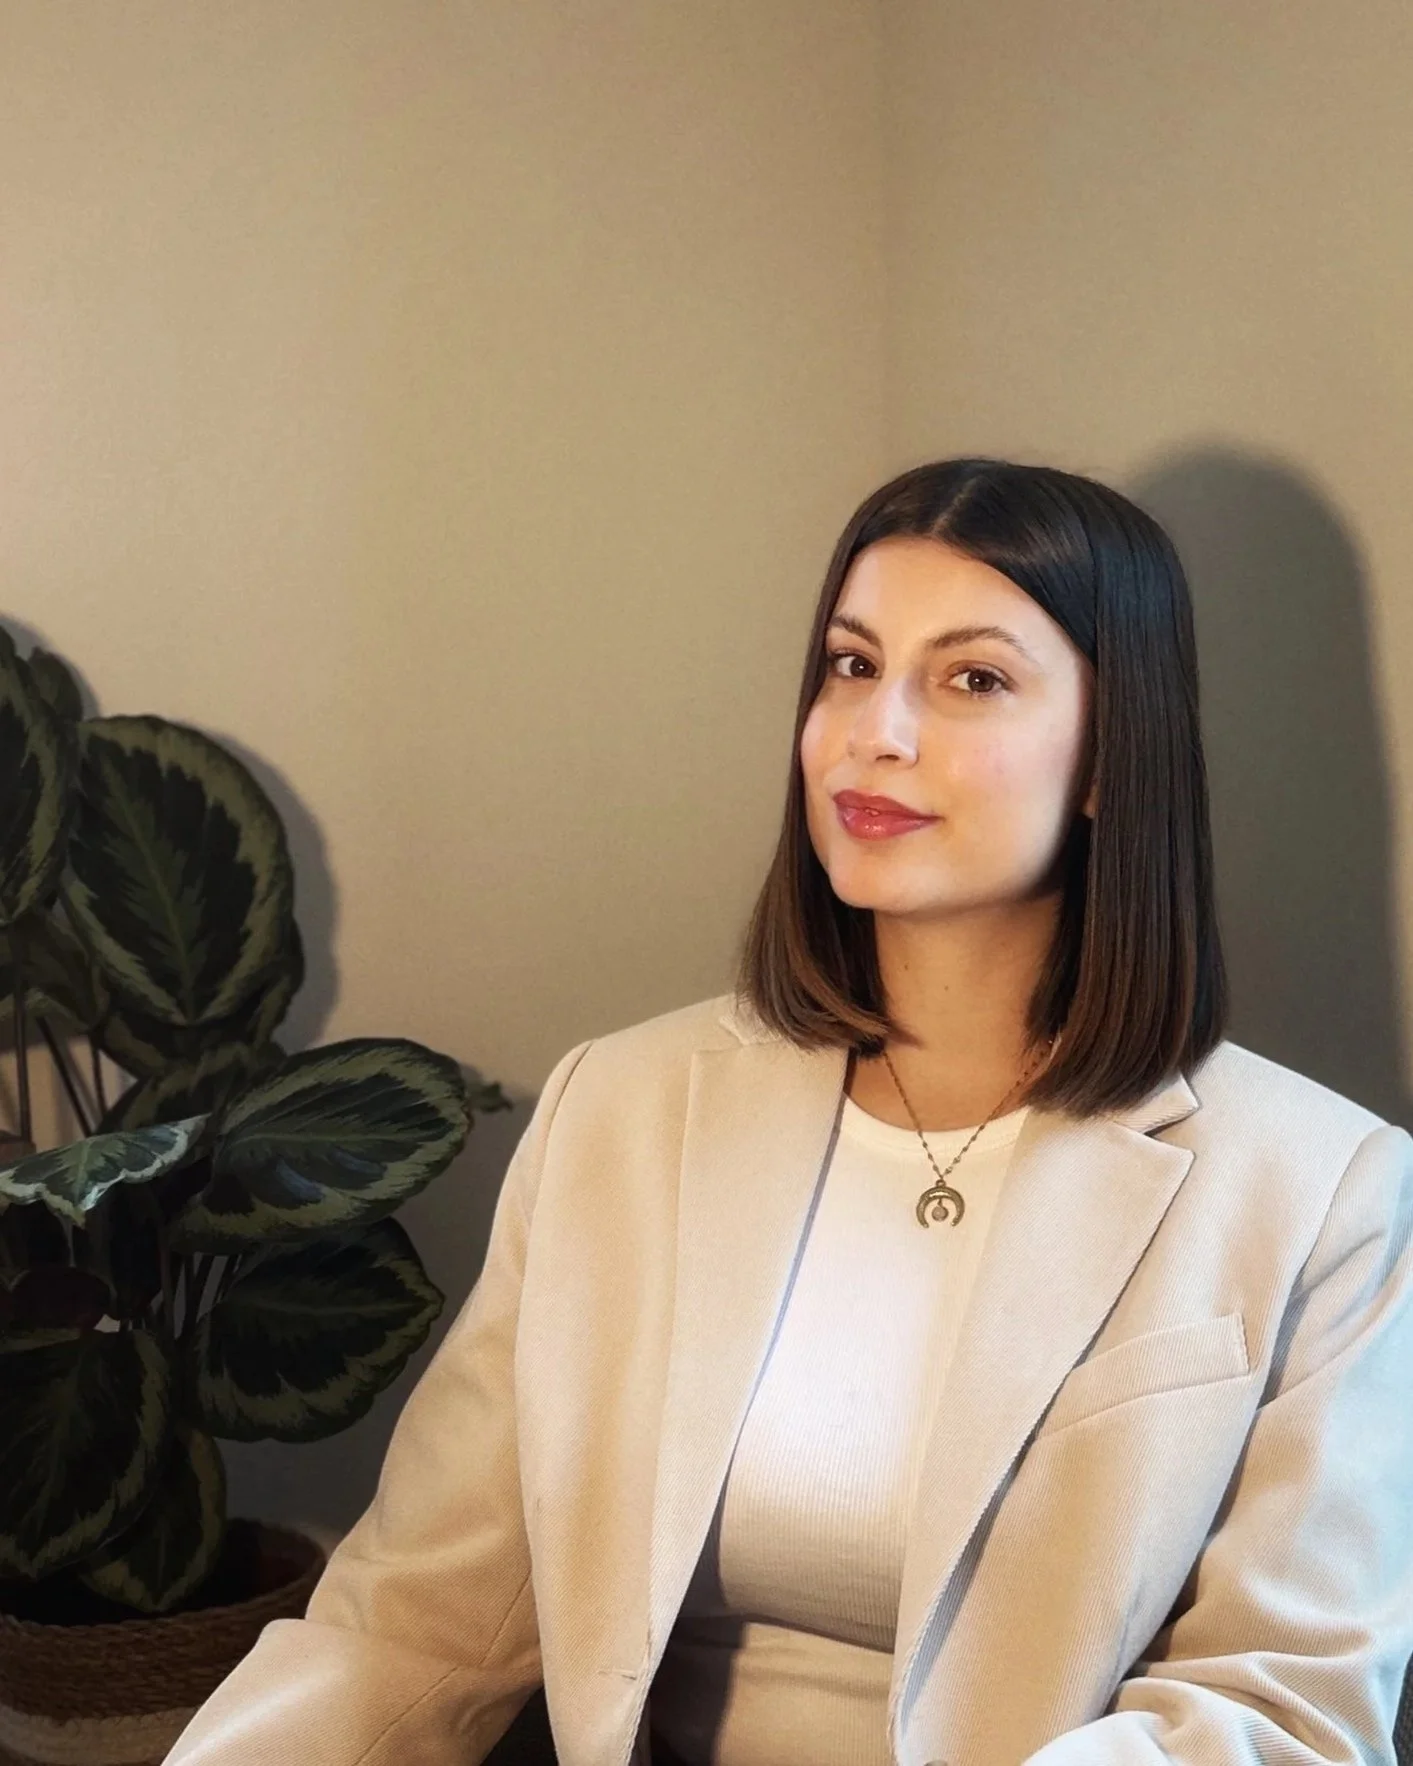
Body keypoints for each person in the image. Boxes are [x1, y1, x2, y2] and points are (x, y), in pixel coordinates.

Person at [163, 458, 1413, 1766]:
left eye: (971, 677)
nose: (877, 729)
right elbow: (413, 1629)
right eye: (852, 665)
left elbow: (1283, 1715)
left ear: (1112, 756)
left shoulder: (1323, 1189)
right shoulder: (620, 1114)